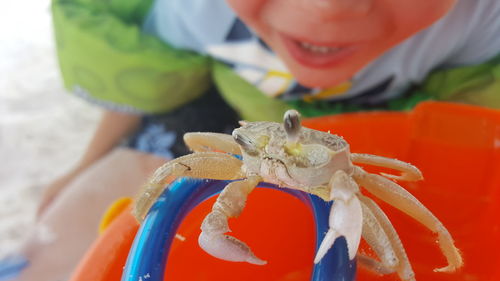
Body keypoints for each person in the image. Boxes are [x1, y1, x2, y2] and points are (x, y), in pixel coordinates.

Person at [9, 0, 500, 280]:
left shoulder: (478, 23)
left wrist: (444, 248)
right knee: (162, 172)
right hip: (230, 109)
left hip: (347, 154)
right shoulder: (194, 10)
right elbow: (179, 142)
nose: (326, 9)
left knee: (396, 256)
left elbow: (415, 174)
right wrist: (84, 163)